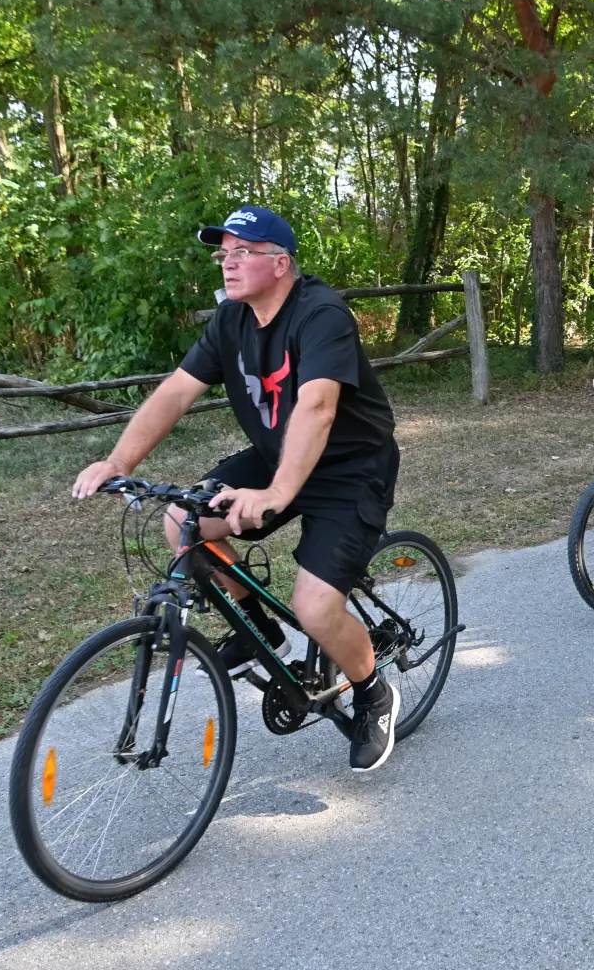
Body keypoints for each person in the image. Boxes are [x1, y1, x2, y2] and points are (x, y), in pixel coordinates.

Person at [71, 206, 404, 773]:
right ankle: (259, 630)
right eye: (222, 254)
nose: (227, 264)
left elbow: (318, 406)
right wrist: (118, 459)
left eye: (241, 253)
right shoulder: (231, 321)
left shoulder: (320, 314)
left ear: (280, 263)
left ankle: (372, 692)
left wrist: (276, 493)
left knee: (317, 607)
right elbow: (177, 392)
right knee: (182, 520)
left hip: (352, 468)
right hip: (280, 460)